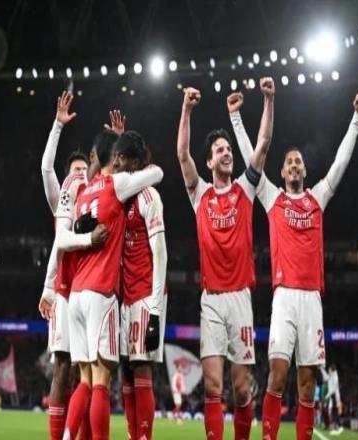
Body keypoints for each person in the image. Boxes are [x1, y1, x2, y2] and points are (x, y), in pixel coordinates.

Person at [228, 92, 358, 440]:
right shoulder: (272, 198)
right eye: (289, 162)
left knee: (307, 385)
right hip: (285, 298)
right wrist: (236, 118)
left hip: (312, 300)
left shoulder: (317, 198)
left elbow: (340, 163)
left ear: (304, 170)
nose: (293, 165)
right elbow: (252, 158)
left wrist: (356, 119)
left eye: (298, 162)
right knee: (276, 376)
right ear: (281, 171)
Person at [176, 77, 274, 440]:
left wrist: (269, 100)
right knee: (213, 386)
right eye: (219, 150)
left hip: (240, 298)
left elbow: (263, 144)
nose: (226, 153)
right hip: (212, 301)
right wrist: (186, 109)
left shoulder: (245, 189)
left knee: (243, 389)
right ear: (209, 160)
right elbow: (182, 155)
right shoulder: (199, 194)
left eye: (228, 148)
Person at [61, 130, 163, 440]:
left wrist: (155, 308)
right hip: (103, 293)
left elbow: (61, 240)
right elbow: (157, 172)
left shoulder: (84, 195)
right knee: (102, 380)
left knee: (91, 378)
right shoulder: (115, 187)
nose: (118, 162)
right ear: (113, 158)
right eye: (116, 156)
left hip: (83, 294)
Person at [37, 91, 92, 440]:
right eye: (75, 171)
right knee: (62, 369)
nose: (81, 174)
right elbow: (46, 169)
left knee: (89, 373)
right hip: (64, 292)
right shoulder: (62, 200)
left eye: (85, 169)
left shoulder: (98, 200)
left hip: (93, 290)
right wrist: (57, 126)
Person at [117, 131, 168, 440]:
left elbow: (161, 253)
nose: (116, 163)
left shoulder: (149, 197)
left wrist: (155, 311)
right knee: (125, 369)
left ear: (135, 163)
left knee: (141, 367)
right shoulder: (120, 199)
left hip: (146, 295)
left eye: (122, 158)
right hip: (124, 297)